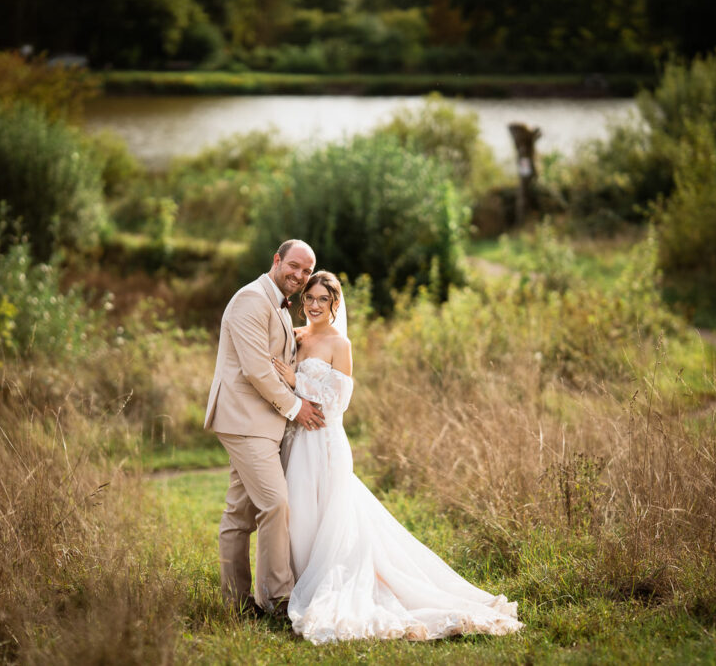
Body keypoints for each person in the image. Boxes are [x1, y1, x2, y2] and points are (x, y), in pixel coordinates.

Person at [271, 271, 524, 644]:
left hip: (324, 441)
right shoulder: (296, 336)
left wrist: (297, 382)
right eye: (309, 298)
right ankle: (293, 581)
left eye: (322, 299)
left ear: (335, 304)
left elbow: (339, 401)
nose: (313, 305)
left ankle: (329, 585)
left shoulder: (341, 344)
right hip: (296, 441)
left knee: (331, 517)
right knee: (301, 514)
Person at [204, 239, 326, 617]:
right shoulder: (250, 300)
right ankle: (277, 600)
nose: (299, 276)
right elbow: (257, 370)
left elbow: (280, 360)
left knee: (238, 516)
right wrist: (296, 408)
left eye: (306, 271)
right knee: (275, 504)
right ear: (277, 260)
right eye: (294, 266)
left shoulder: (278, 304)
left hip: (260, 421)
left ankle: (236, 603)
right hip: (244, 420)